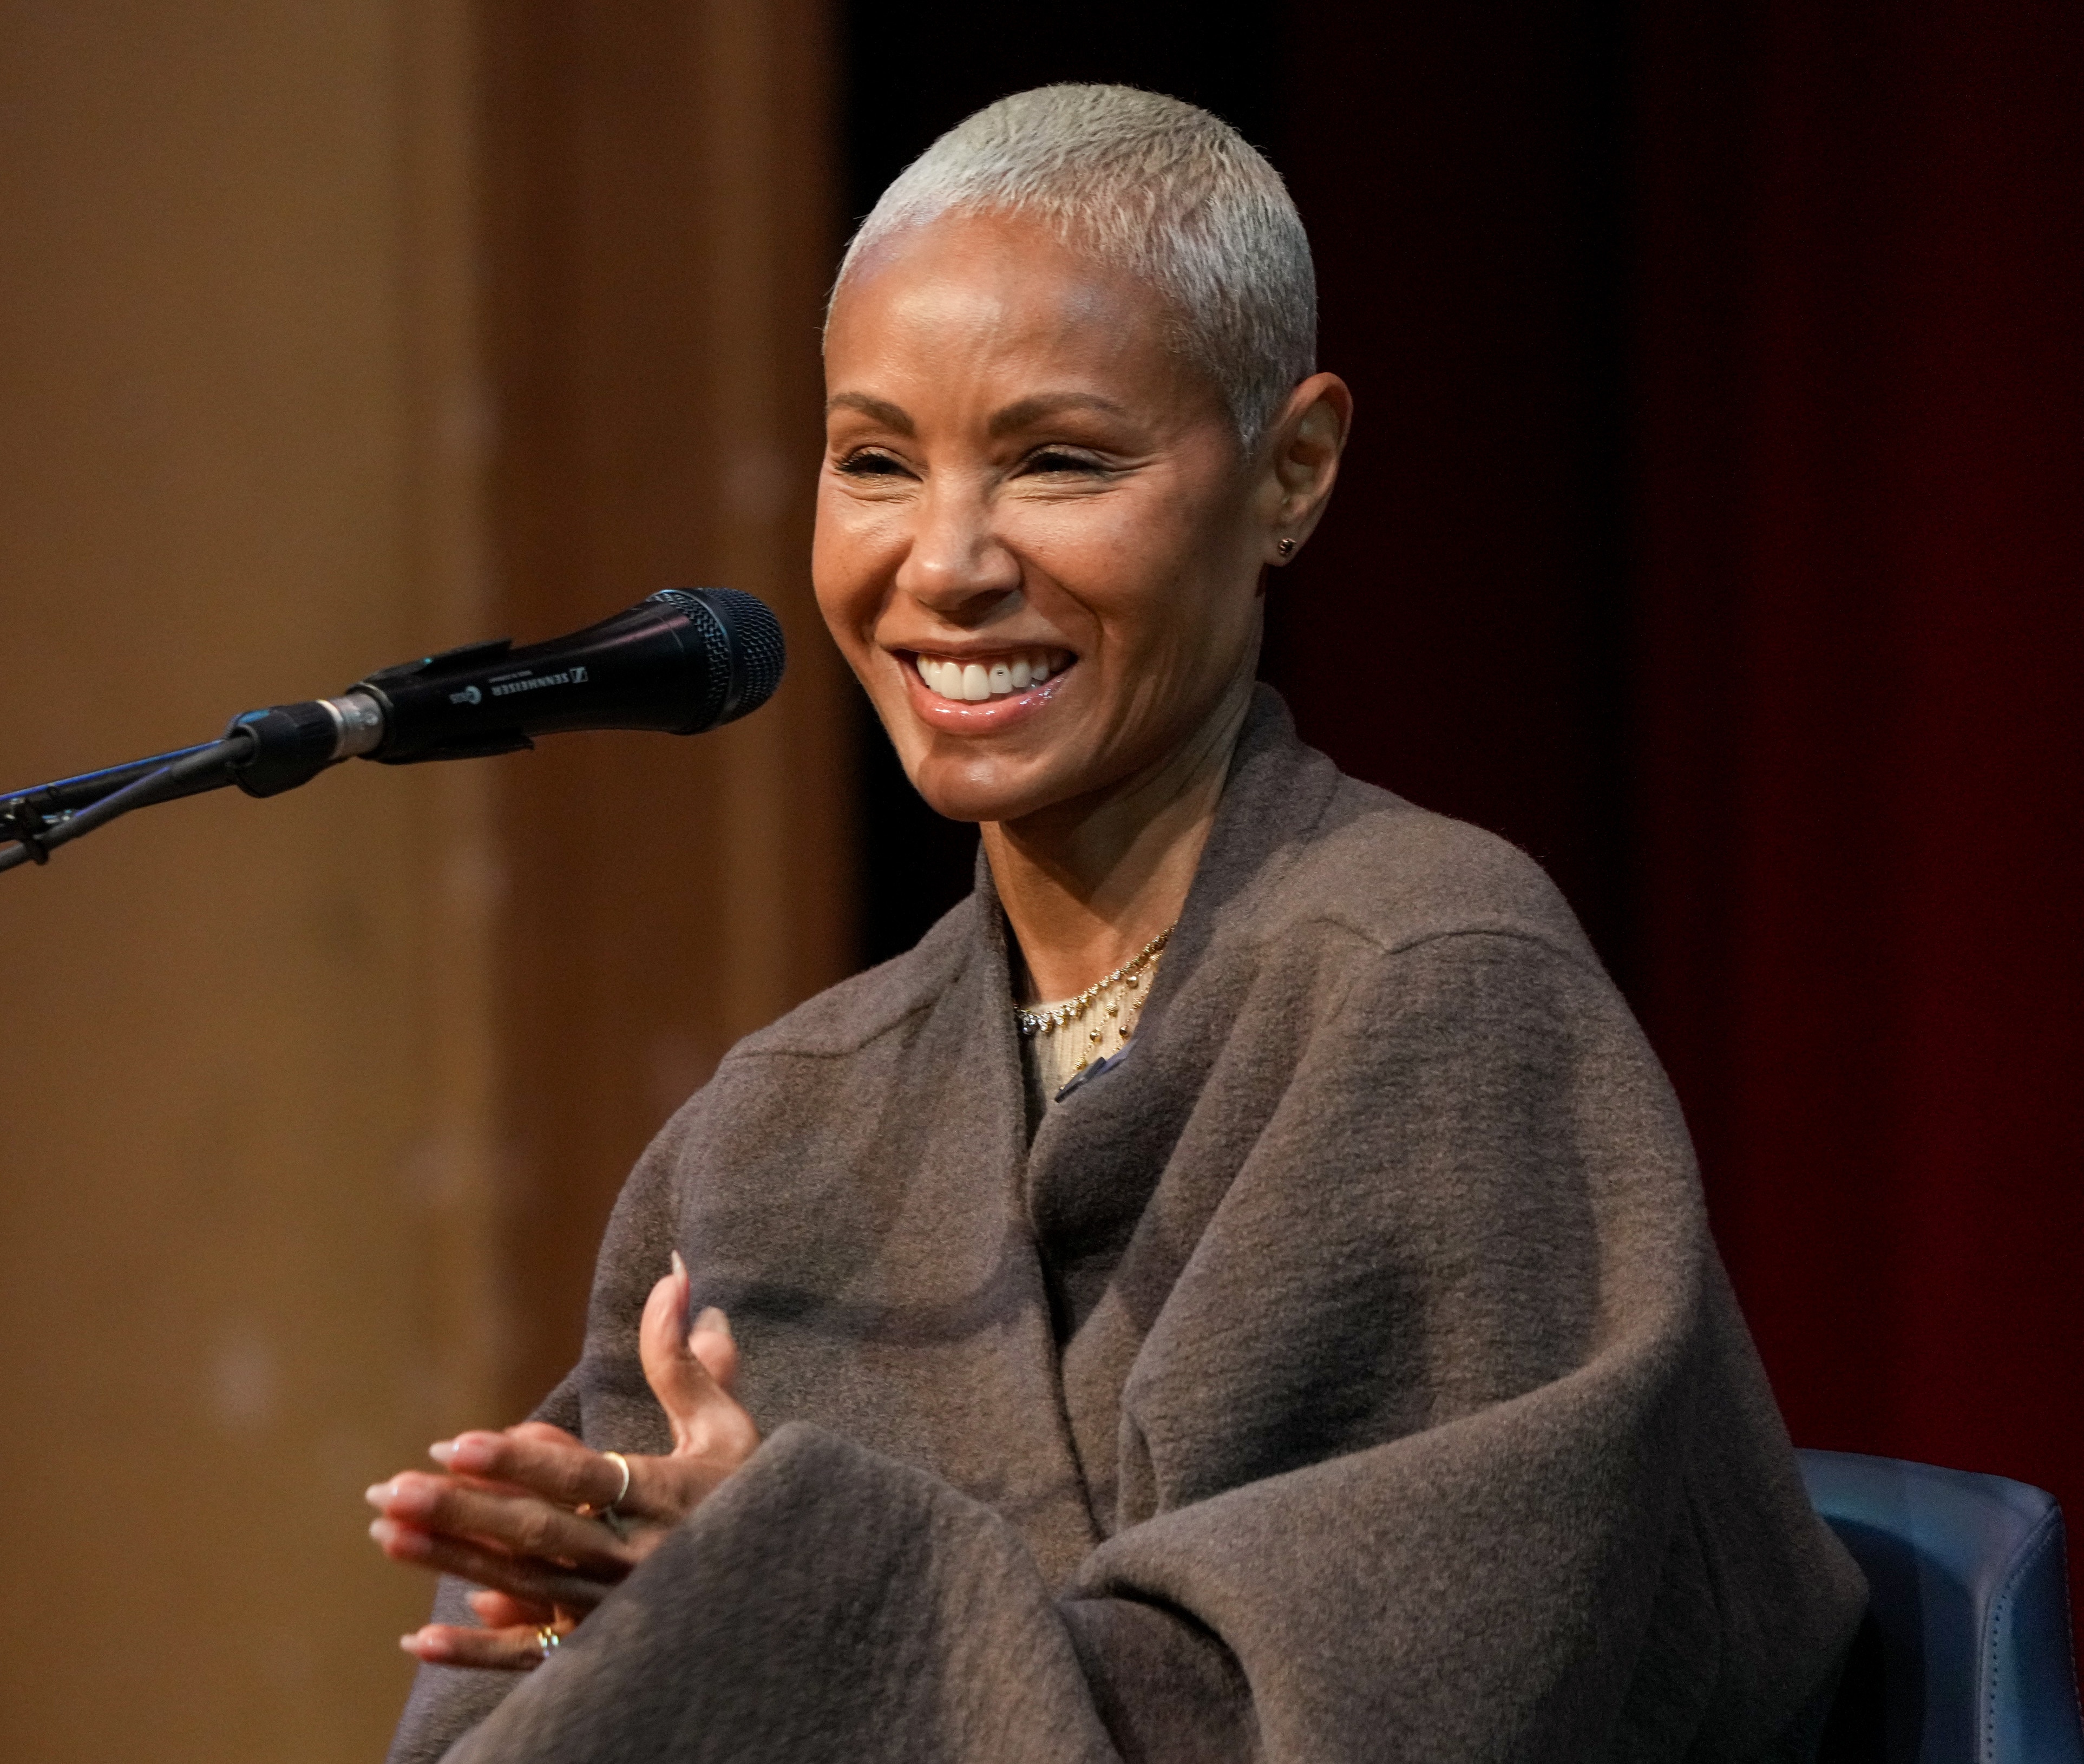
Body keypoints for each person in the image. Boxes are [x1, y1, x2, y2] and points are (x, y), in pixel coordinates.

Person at [369, 84, 1865, 1763]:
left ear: (1292, 470)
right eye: (873, 460)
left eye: (1057, 460)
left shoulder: (1431, 993)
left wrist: (784, 1600)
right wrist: (587, 1613)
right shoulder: (782, 1118)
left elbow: (1341, 1723)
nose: (942, 562)